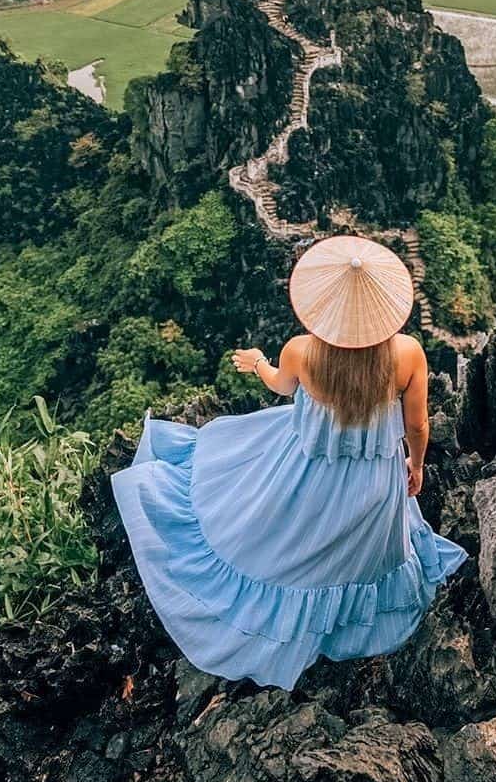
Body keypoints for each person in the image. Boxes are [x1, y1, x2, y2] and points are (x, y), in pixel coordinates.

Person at [111, 234, 466, 690]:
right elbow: (417, 426)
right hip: (374, 484)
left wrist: (258, 361)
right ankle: (343, 618)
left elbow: (282, 387)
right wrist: (414, 465)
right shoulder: (407, 355)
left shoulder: (303, 350)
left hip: (306, 471)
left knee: (258, 520)